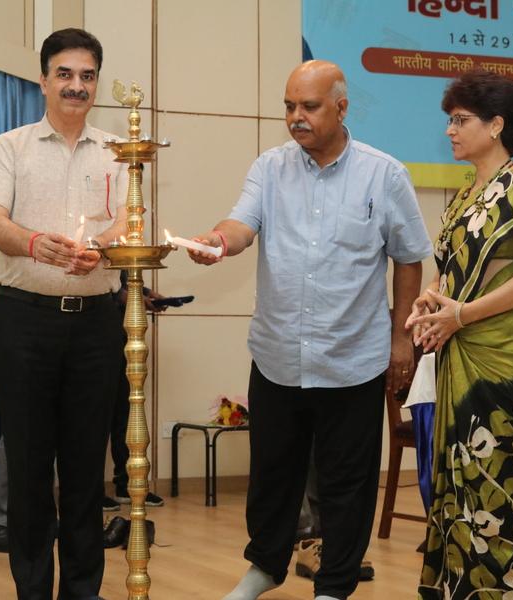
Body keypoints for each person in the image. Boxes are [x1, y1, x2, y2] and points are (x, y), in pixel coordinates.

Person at [187, 60, 432, 600]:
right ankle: (264, 569)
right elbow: (241, 223)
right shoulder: (270, 168)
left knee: (348, 482)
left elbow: (409, 257)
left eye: (309, 107)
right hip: (278, 355)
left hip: (353, 357)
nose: (296, 117)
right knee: (272, 477)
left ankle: (334, 586)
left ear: (341, 108)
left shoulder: (384, 174)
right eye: (289, 106)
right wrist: (218, 242)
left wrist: (401, 340)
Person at [407, 69, 513, 599]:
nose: (450, 130)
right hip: (463, 355)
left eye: (461, 120)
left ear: (496, 125)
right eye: (450, 120)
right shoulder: (465, 195)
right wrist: (430, 299)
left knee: (500, 490)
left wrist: (461, 315)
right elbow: (448, 271)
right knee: (462, 496)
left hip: (509, 364)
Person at [0, 28, 128, 600]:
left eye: (87, 75)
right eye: (65, 74)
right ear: (43, 80)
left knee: (87, 469)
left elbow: (130, 223)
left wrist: (103, 249)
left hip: (95, 325)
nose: (76, 85)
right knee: (30, 468)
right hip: (23, 322)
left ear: (97, 83)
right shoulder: (9, 146)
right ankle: (33, 591)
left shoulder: (120, 151)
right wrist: (36, 244)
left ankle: (82, 592)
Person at [103, 271, 165, 512]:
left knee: (126, 416)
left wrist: (146, 293)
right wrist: (125, 297)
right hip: (98, 333)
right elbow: (102, 282)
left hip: (125, 337)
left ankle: (127, 484)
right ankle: (90, 492)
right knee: (95, 418)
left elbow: (123, 278)